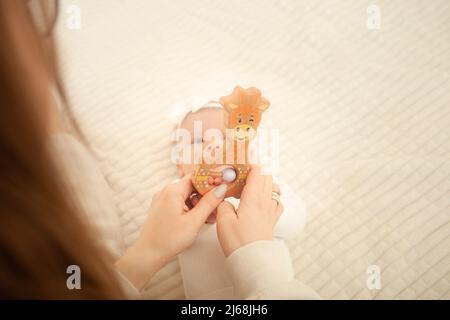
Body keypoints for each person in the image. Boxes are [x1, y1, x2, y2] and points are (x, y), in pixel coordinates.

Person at [0, 0, 319, 299]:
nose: (210, 144)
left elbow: (297, 222)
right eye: (196, 140)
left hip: (270, 284)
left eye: (222, 138)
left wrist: (271, 213)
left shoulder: (262, 188)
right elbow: (172, 239)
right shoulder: (178, 203)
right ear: (180, 164)